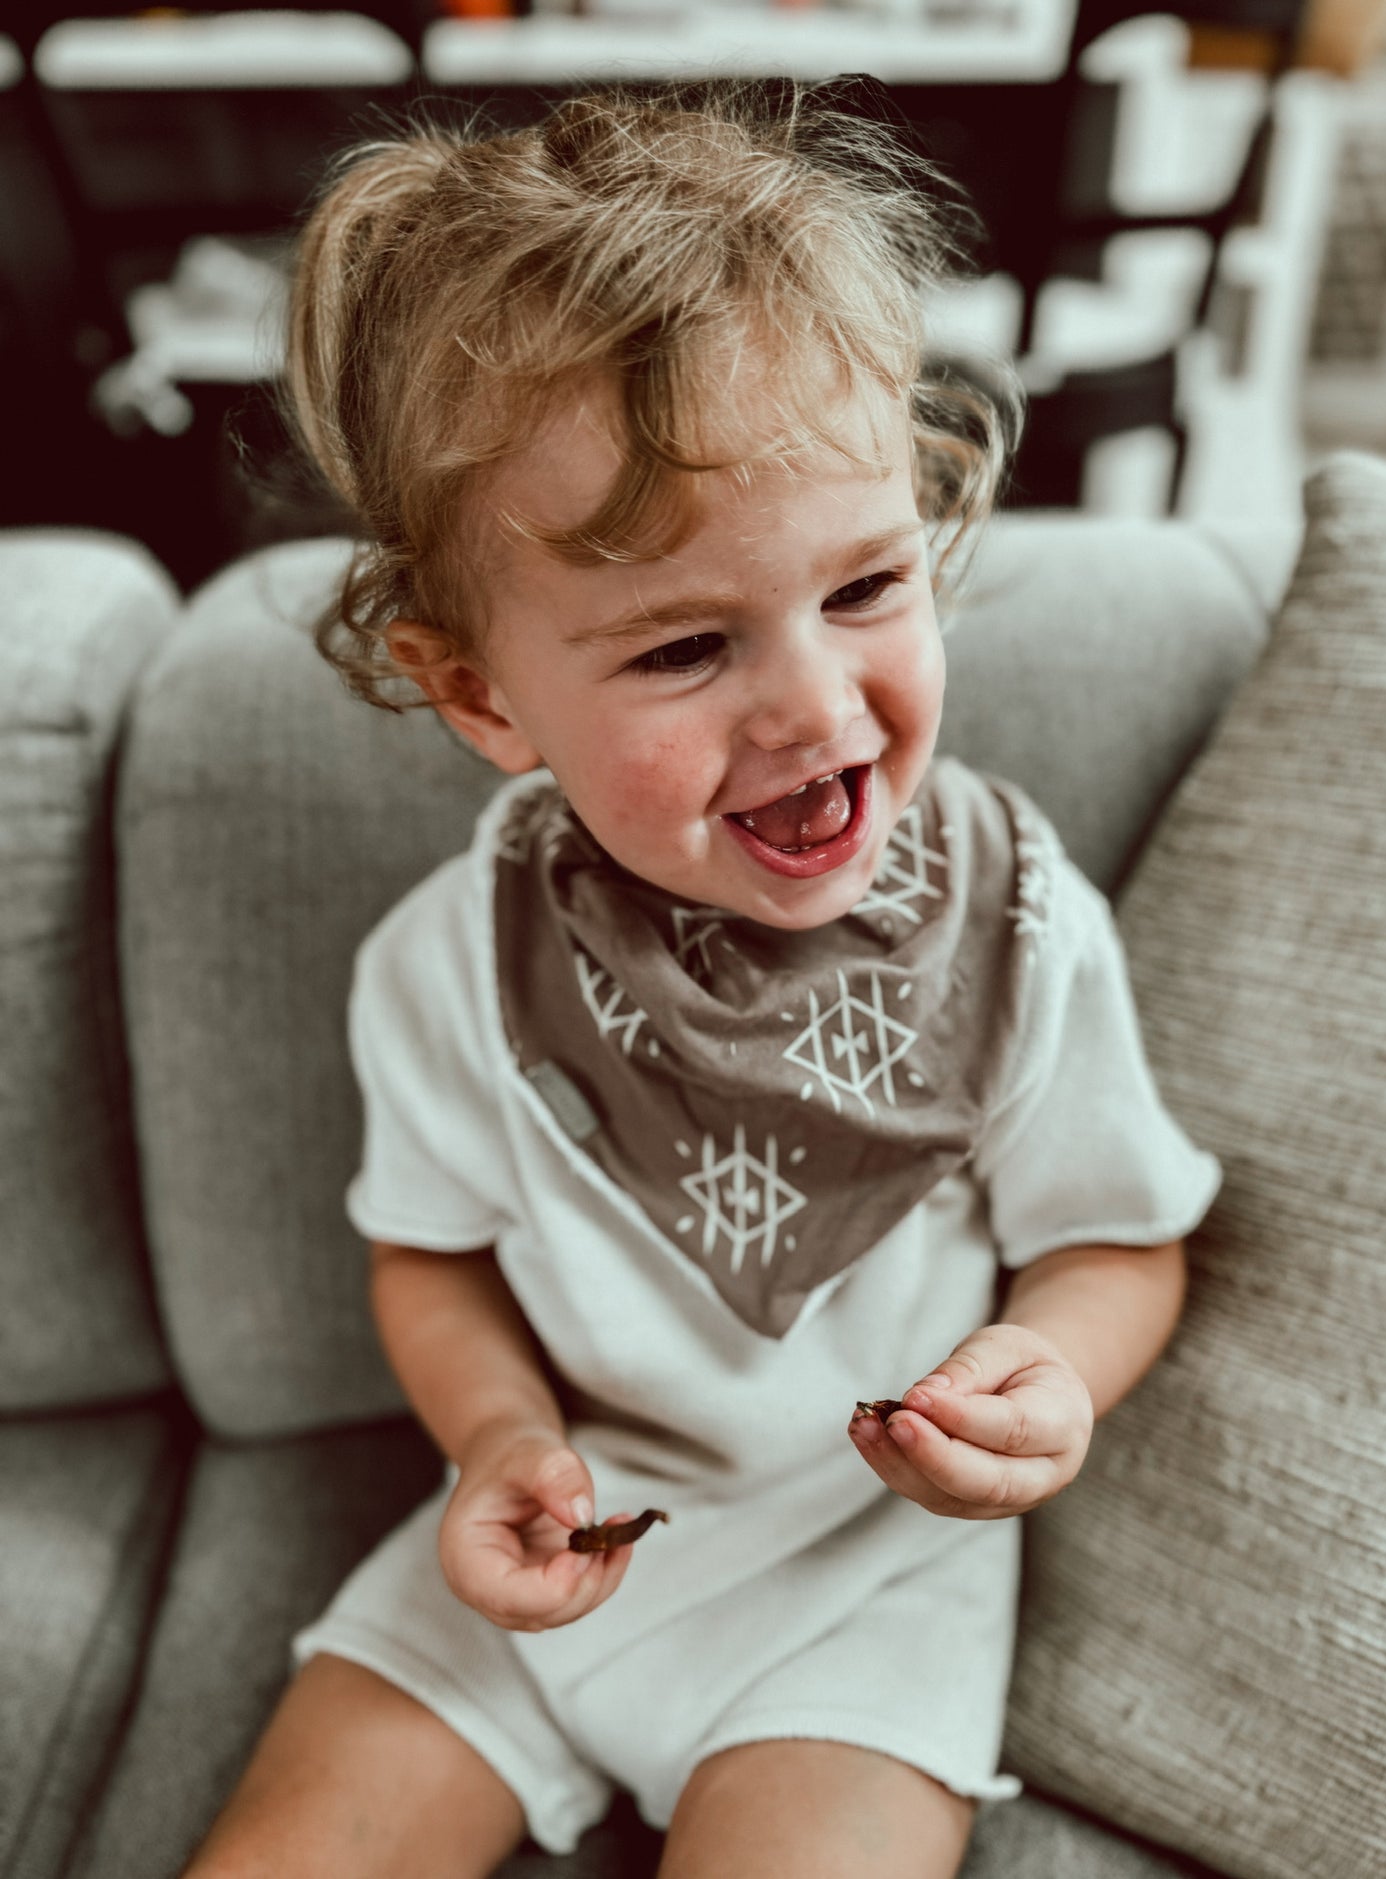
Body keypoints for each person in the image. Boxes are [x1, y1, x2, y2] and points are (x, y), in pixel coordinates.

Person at [185, 85, 1221, 1879]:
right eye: (683, 643)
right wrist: (500, 1433)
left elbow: (1118, 1239)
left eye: (868, 584)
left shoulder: (1018, 921)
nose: (818, 711)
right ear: (484, 697)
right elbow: (428, 1253)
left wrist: (1046, 1380)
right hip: (559, 1537)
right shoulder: (453, 966)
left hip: (866, 1585)